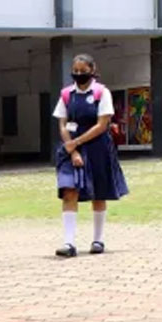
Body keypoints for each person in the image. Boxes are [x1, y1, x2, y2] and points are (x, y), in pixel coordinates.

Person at [53, 53, 129, 258]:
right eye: (75, 71)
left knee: (98, 192)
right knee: (69, 189)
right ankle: (68, 243)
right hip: (71, 148)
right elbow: (62, 122)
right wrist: (72, 148)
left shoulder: (101, 93)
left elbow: (102, 124)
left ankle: (98, 240)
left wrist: (77, 142)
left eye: (83, 71)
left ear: (93, 70)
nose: (78, 74)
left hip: (97, 147)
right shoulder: (67, 94)